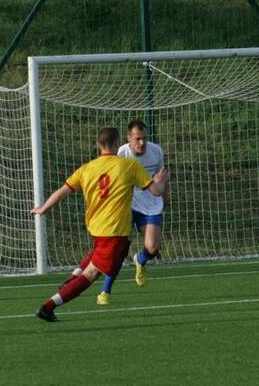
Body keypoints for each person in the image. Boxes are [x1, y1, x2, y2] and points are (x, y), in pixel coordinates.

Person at [31, 127, 168, 322]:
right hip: (114, 231)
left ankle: (69, 282)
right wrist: (160, 181)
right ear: (117, 143)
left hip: (97, 228)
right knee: (92, 274)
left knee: (100, 257)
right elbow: (155, 191)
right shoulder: (129, 166)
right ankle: (49, 306)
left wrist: (43, 208)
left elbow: (62, 191)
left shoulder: (87, 168)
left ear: (98, 145)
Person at [97, 119, 167, 305]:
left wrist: (166, 196)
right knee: (120, 251)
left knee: (153, 248)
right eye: (137, 139)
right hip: (127, 205)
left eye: (144, 138)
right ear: (128, 138)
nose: (142, 143)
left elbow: (161, 177)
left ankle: (141, 260)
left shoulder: (156, 151)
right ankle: (105, 291)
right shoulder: (121, 153)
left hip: (151, 204)